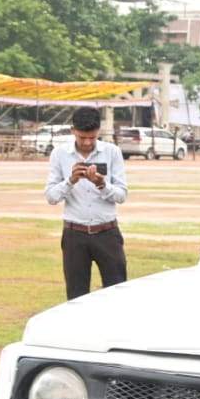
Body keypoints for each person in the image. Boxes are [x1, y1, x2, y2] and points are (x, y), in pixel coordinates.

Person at [44, 106, 128, 300]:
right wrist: (70, 180)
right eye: (82, 138)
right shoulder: (60, 154)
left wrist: (102, 184)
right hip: (75, 235)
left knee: (117, 292)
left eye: (92, 137)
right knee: (76, 295)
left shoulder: (112, 152)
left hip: (107, 234)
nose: (88, 142)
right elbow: (51, 197)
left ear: (98, 131)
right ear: (73, 131)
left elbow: (122, 195)